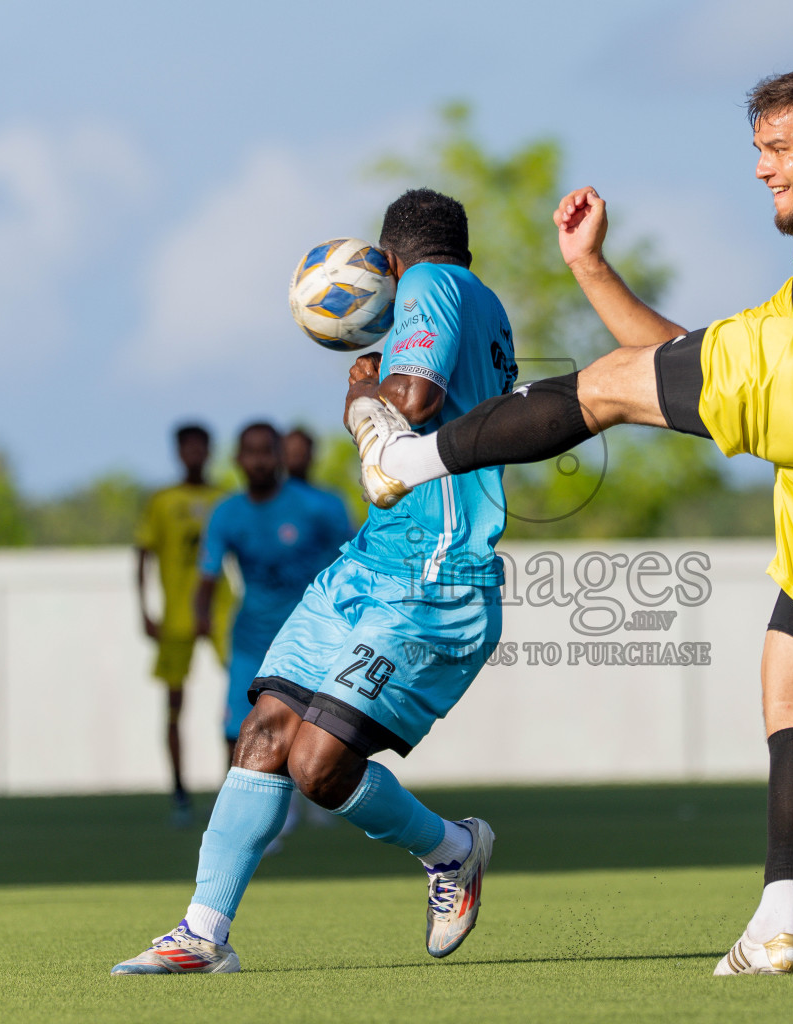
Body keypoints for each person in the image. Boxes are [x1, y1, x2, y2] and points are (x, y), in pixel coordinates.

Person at [345, 66, 793, 975]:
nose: (765, 169)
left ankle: (402, 459)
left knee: (607, 387)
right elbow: (673, 356)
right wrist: (588, 266)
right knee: (791, 689)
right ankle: (777, 923)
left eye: (779, 148)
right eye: (759, 151)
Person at [112, 188, 519, 975]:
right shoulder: (483, 303)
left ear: (387, 261)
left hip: (433, 578)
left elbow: (412, 402)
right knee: (262, 732)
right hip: (371, 563)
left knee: (317, 766)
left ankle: (452, 850)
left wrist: (361, 389)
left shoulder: (435, 287)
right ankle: (203, 931)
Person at [193, 422, 353, 761]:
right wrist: (201, 617)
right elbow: (207, 575)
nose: (259, 461)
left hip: (309, 633)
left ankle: (314, 797)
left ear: (281, 456)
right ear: (237, 458)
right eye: (251, 453)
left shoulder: (318, 507)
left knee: (319, 723)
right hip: (252, 636)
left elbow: (351, 560)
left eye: (267, 451)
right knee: (236, 726)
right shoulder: (226, 513)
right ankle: (233, 804)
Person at [134, 423, 232, 827]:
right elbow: (142, 555)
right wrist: (144, 610)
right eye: (187, 447)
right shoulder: (162, 501)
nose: (195, 454)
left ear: (210, 451)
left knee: (244, 698)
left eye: (201, 447)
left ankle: (233, 788)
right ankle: (179, 791)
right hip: (176, 615)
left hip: (223, 611)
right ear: (178, 452)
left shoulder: (224, 499)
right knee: (175, 705)